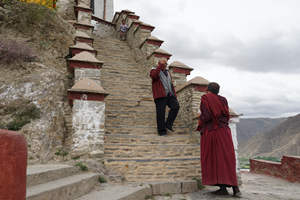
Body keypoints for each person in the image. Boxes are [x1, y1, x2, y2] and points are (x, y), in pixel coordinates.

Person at [197, 82, 241, 197]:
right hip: (225, 132)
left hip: (212, 132)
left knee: (215, 159)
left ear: (208, 90)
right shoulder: (223, 99)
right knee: (226, 159)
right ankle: (232, 189)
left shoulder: (205, 98)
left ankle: (225, 188)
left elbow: (206, 116)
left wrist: (199, 118)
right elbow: (226, 115)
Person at [150, 58, 180, 136]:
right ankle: (161, 131)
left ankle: (168, 124)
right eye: (163, 63)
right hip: (160, 95)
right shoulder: (154, 70)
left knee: (176, 106)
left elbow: (170, 84)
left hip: (170, 95)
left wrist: (174, 95)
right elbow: (154, 76)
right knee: (161, 113)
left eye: (166, 63)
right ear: (159, 63)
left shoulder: (167, 72)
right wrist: (160, 66)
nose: (165, 65)